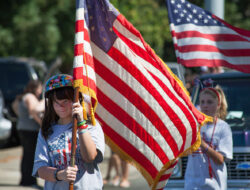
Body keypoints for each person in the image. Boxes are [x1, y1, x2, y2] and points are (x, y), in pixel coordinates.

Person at [32, 74, 105, 190]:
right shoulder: (46, 130)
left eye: (66, 101)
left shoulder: (91, 126)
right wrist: (60, 174)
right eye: (56, 102)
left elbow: (90, 157)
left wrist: (81, 124)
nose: (61, 106)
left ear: (76, 100)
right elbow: (40, 168)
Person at [184, 86, 233, 190]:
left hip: (215, 185)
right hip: (192, 184)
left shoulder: (223, 127)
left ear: (218, 105)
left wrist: (202, 144)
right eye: (202, 102)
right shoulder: (193, 125)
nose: (205, 106)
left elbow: (220, 159)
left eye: (209, 102)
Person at [15, 80, 44, 187]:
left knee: (26, 155)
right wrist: (42, 124)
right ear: (35, 88)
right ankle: (30, 181)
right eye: (40, 88)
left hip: (22, 128)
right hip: (30, 130)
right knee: (31, 156)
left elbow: (15, 110)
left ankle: (25, 180)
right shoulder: (30, 97)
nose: (40, 91)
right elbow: (33, 111)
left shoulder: (21, 97)